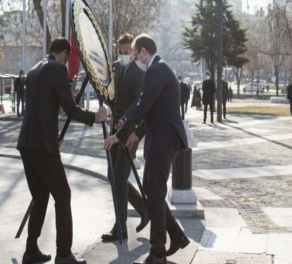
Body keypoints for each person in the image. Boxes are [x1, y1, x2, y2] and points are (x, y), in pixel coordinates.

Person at [17, 38, 107, 264]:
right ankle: (64, 254)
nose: (69, 61)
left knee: (40, 197)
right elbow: (70, 109)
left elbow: (41, 108)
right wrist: (96, 117)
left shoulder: (35, 70)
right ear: (66, 53)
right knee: (63, 195)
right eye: (69, 56)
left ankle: (30, 251)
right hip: (42, 147)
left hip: (27, 143)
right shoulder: (57, 69)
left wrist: (53, 134)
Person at [104, 34, 190, 264]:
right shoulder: (157, 69)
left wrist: (119, 136)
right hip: (158, 136)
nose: (133, 58)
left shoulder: (157, 70)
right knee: (153, 191)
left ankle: (158, 251)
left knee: (154, 190)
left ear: (144, 52)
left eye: (134, 53)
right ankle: (177, 236)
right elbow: (149, 108)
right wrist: (134, 133)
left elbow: (142, 107)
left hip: (164, 138)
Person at [101, 33, 148, 242]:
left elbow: (139, 100)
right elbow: (111, 92)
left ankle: (120, 228)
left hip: (130, 130)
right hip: (115, 128)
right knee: (113, 177)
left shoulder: (140, 70)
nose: (123, 56)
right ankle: (143, 208)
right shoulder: (115, 67)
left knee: (119, 178)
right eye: (120, 52)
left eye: (127, 52)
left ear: (134, 52)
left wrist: (126, 119)